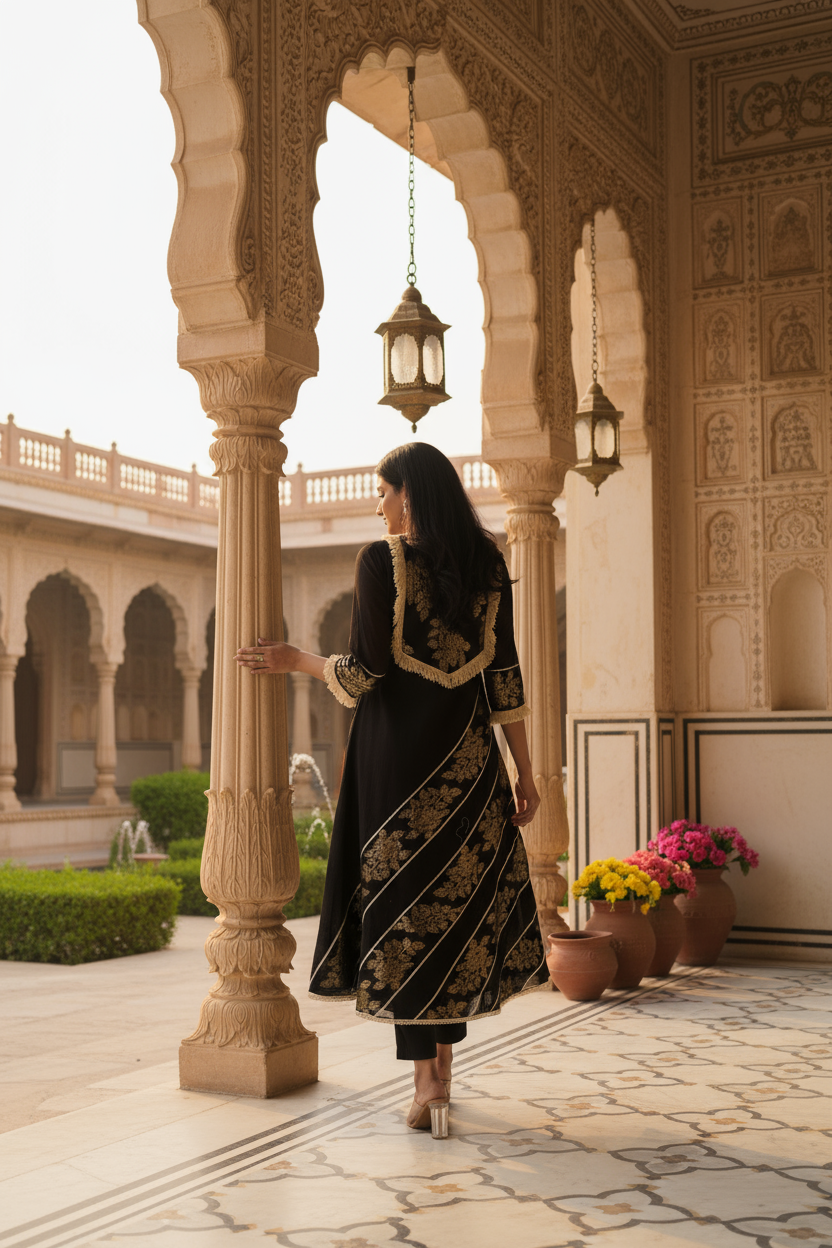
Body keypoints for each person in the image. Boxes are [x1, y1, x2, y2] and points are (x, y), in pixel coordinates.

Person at [237, 442, 549, 1138]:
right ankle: (441, 1074)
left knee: (407, 916)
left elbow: (364, 672)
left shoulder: (382, 561)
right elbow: (505, 677)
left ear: (410, 495)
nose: (378, 504)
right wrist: (526, 773)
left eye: (384, 491)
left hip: (395, 768)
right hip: (469, 764)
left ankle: (426, 1085)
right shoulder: (487, 562)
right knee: (452, 912)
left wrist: (295, 661)